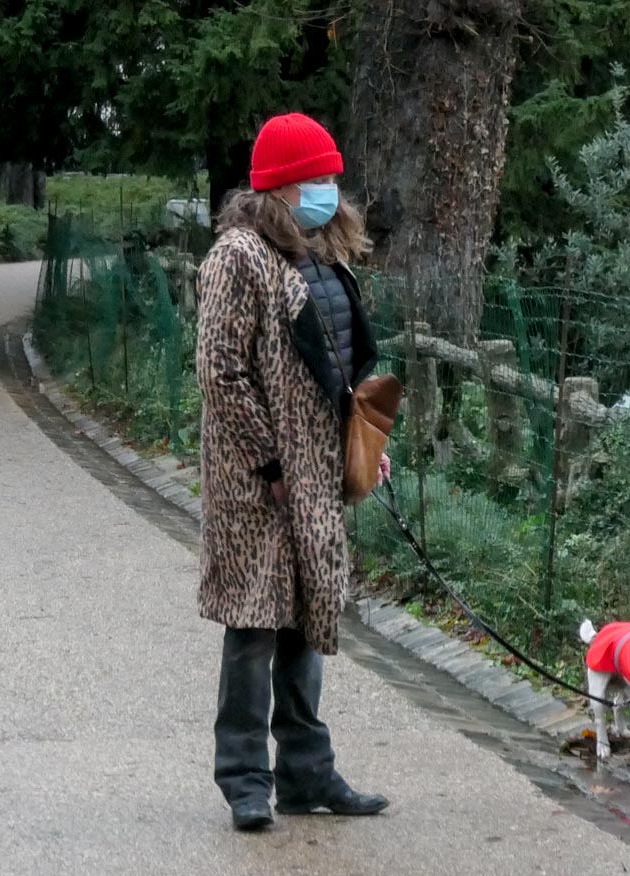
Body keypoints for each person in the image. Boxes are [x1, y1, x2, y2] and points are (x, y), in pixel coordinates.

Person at [196, 112, 389, 832]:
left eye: (333, 177)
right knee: (253, 629)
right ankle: (244, 779)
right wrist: (268, 461)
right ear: (282, 186)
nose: (331, 190)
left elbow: (339, 364)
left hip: (315, 476)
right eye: (318, 179)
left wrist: (361, 442)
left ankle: (308, 775)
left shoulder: (322, 255)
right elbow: (220, 371)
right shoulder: (237, 257)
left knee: (308, 624)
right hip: (257, 484)